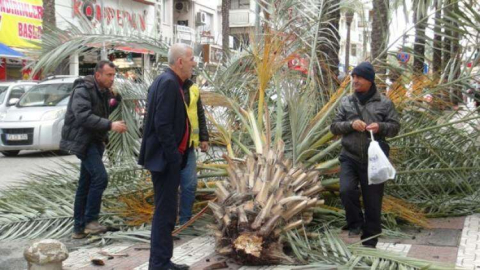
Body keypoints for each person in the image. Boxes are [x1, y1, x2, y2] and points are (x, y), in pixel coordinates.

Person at [330, 62, 400, 248]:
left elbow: (395, 128)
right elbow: (334, 126)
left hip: (374, 161)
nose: (355, 81)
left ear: (369, 79)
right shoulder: (346, 102)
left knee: (373, 203)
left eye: (359, 77)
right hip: (350, 156)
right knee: (346, 190)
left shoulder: (384, 103)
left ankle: (370, 243)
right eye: (353, 77)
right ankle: (355, 223)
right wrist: (350, 124)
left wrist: (380, 127)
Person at [138, 43, 195, 270]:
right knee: (165, 213)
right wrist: (174, 158)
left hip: (167, 159)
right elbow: (162, 125)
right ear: (179, 61)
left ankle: (163, 260)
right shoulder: (169, 83)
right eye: (191, 58)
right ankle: (159, 264)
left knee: (167, 212)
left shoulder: (171, 82)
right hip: (165, 161)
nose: (194, 62)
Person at [60, 60, 127, 239]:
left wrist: (115, 99)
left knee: (86, 183)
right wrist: (111, 125)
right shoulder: (83, 90)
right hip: (84, 141)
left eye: (114, 75)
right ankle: (91, 222)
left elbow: (102, 111)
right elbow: (83, 116)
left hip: (95, 140)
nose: (112, 78)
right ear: (98, 75)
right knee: (100, 178)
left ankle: (79, 228)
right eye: (109, 75)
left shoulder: (102, 91)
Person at [179, 78, 209, 225]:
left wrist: (204, 138)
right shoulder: (169, 86)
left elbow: (199, 114)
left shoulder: (194, 88)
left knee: (190, 184)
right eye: (190, 61)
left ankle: (185, 221)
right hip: (173, 145)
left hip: (189, 144)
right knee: (171, 185)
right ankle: (169, 221)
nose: (193, 65)